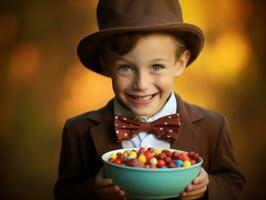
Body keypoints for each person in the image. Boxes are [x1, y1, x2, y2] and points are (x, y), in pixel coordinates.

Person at [54, 0, 245, 199]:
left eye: (156, 67)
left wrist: (208, 187)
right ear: (105, 64)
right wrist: (93, 191)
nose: (141, 84)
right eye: (125, 67)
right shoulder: (78, 131)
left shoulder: (213, 127)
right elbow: (64, 193)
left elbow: (233, 182)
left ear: (180, 62)